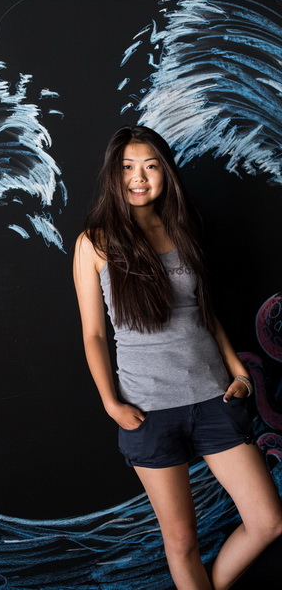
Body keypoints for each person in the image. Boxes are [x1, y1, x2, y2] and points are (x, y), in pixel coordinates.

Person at [73, 125, 282, 590]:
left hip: (214, 398)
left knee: (268, 521)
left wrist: (238, 373)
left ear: (165, 172)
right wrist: (111, 403)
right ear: (113, 174)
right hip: (148, 409)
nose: (139, 177)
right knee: (182, 540)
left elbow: (204, 314)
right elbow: (93, 334)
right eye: (127, 167)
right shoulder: (95, 242)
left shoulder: (183, 229)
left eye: (150, 166)